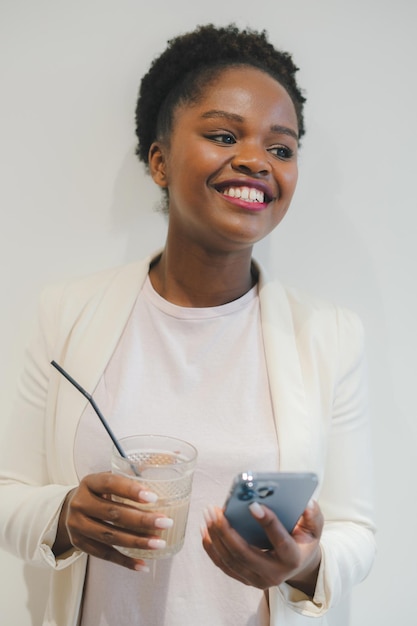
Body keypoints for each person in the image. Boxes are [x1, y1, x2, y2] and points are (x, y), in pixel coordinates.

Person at [0, 23, 375, 626]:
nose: (256, 160)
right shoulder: (64, 314)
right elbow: (7, 493)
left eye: (281, 148)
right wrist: (65, 515)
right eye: (224, 135)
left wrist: (303, 565)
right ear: (159, 162)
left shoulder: (329, 336)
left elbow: (357, 529)